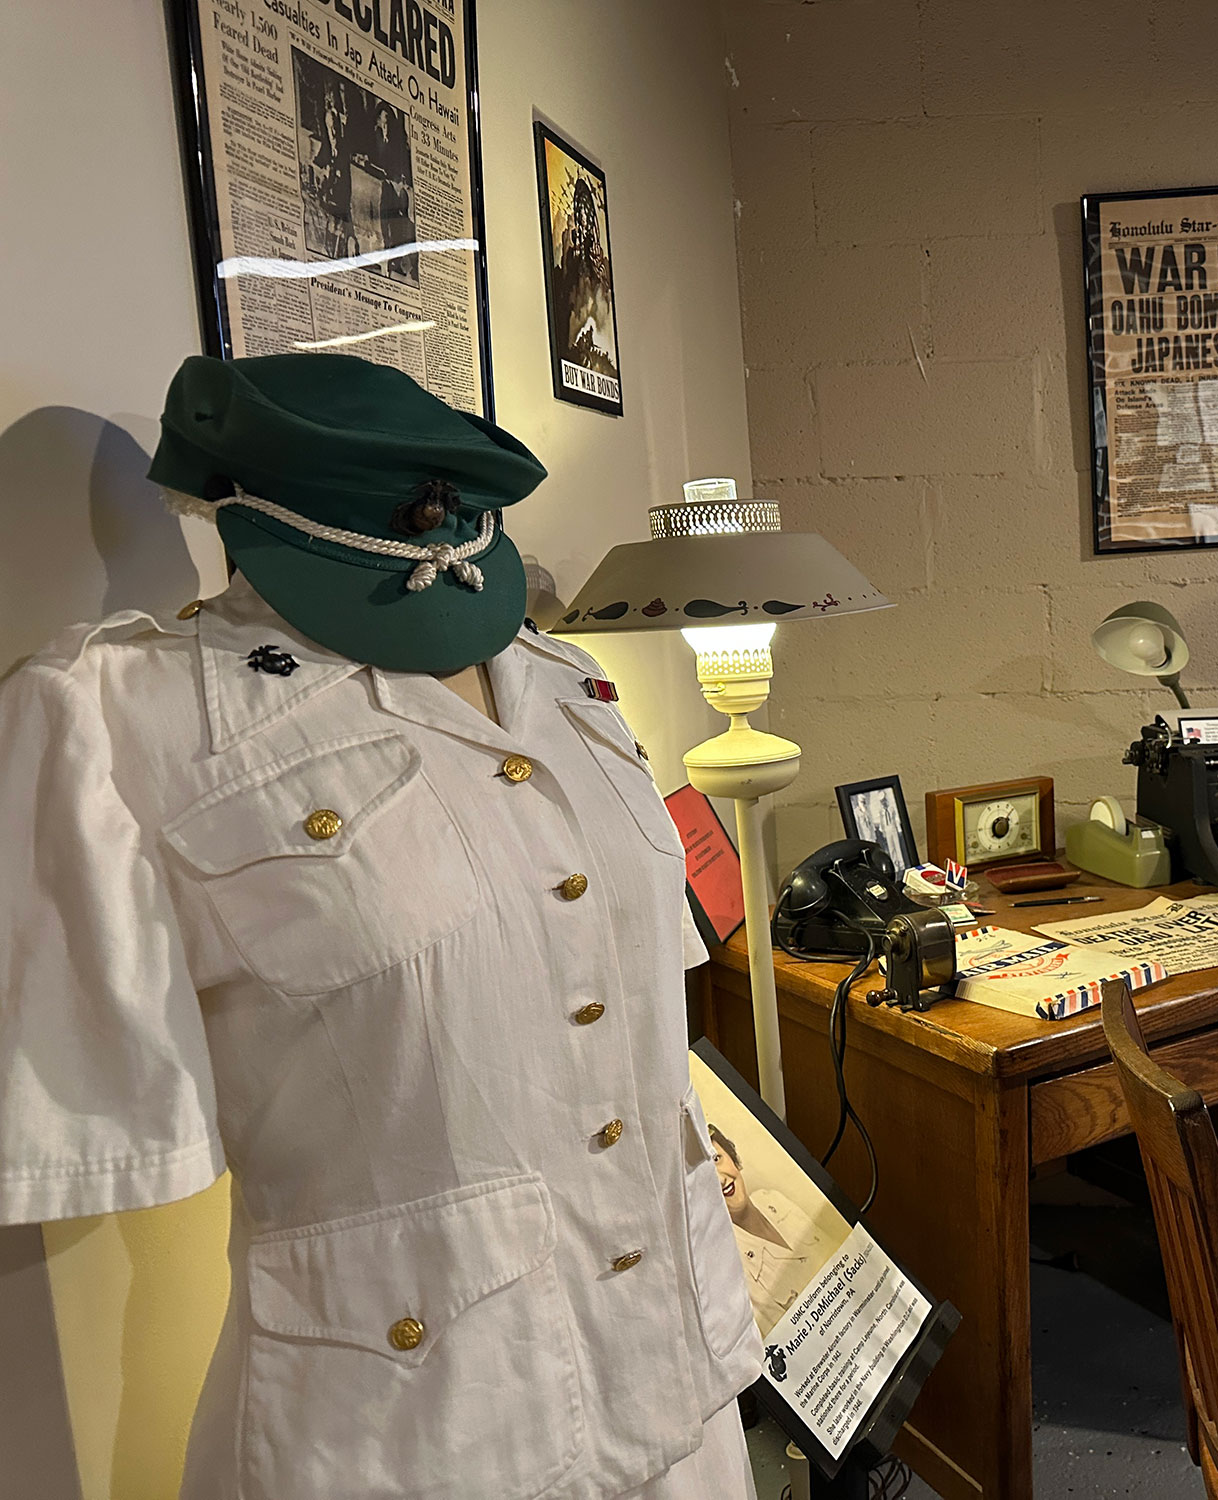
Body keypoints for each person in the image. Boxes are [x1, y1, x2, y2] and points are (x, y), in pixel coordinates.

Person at [0, 354, 759, 1499]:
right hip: (412, 1429)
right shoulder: (114, 723)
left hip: (676, 1375)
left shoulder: (568, 687)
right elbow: (95, 1111)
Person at [710, 1122, 831, 1332]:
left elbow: (834, 1250)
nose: (720, 1179)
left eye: (716, 1159)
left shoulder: (771, 1198)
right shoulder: (731, 1268)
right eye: (705, 1175)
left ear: (732, 1157)